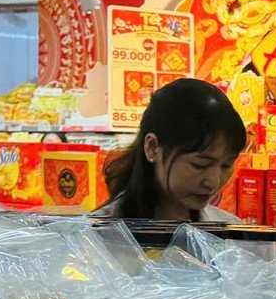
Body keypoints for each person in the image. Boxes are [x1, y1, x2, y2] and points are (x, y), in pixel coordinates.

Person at [94, 76, 244, 223]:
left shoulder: (229, 233)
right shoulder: (95, 236)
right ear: (152, 148)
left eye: (226, 166)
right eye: (200, 164)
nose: (213, 182)